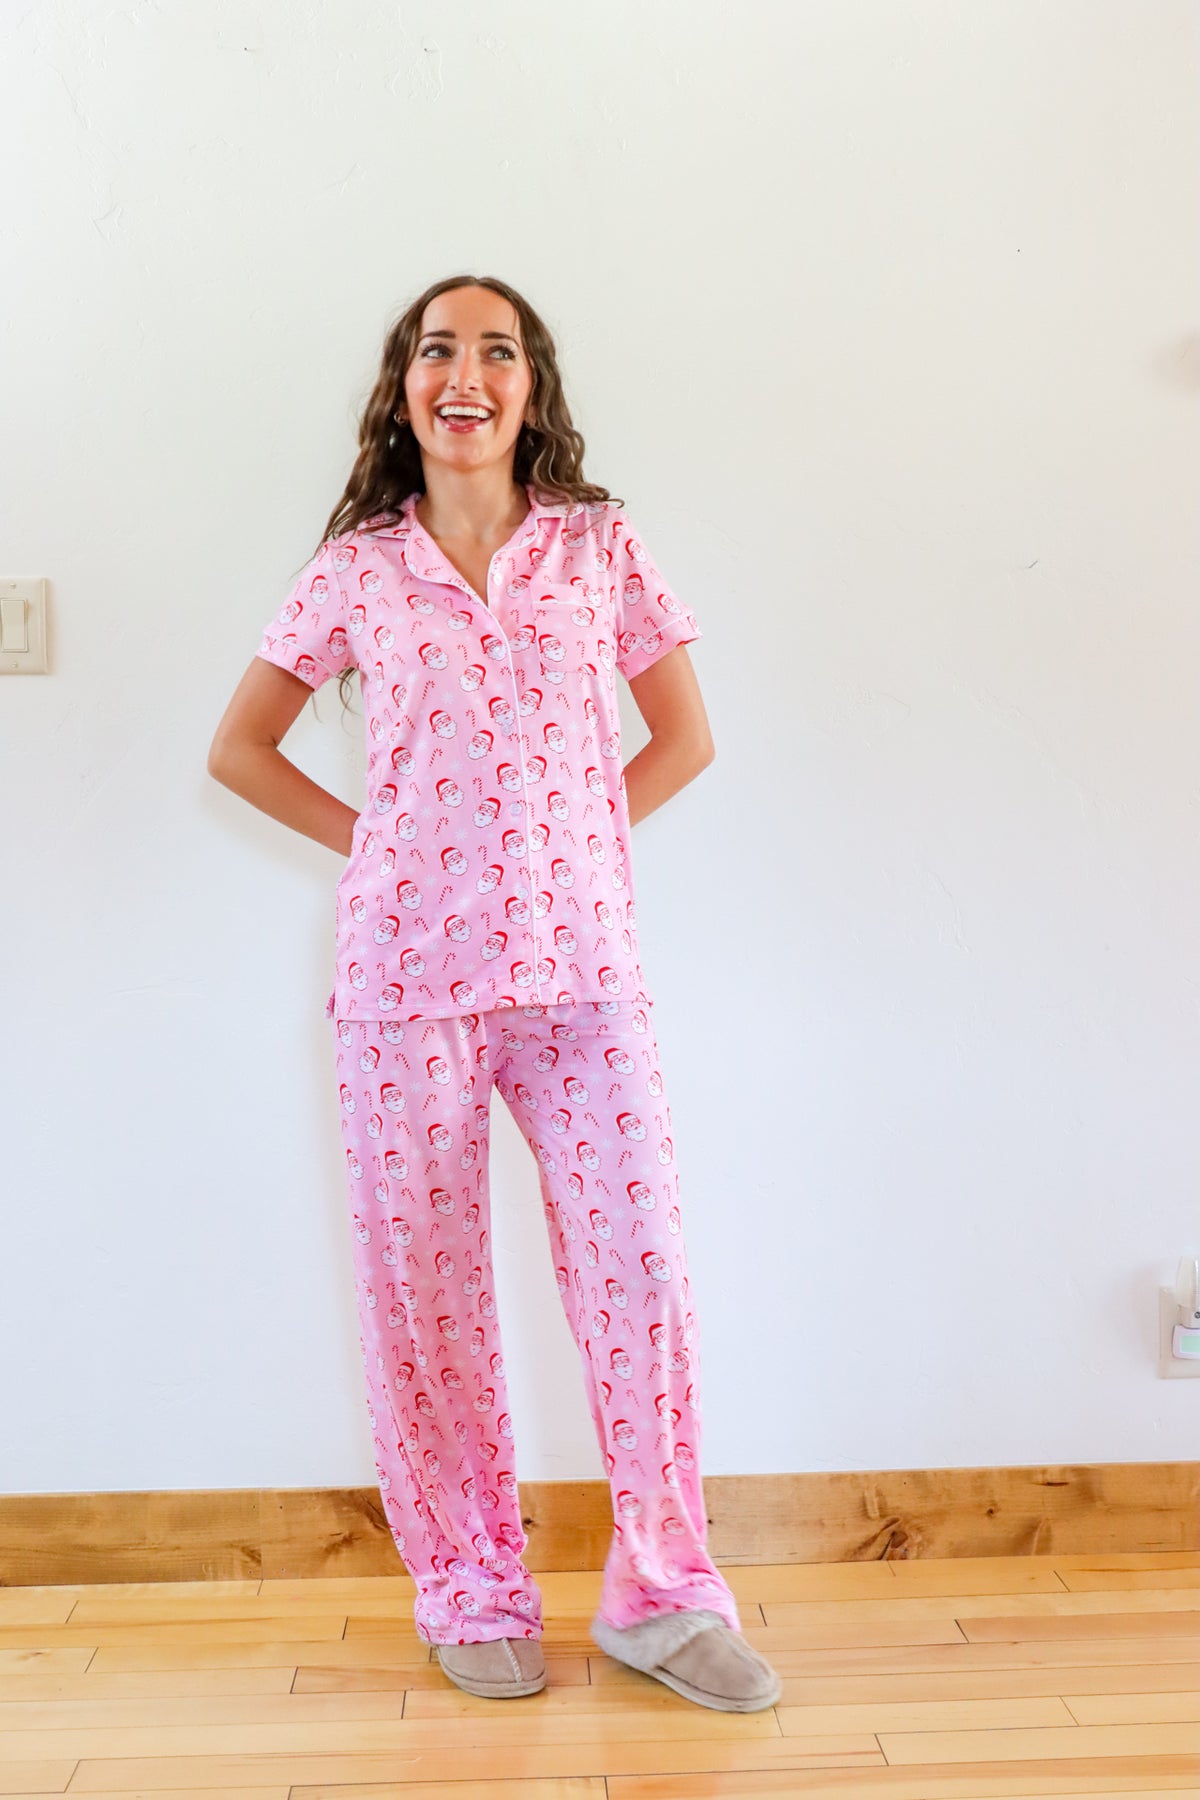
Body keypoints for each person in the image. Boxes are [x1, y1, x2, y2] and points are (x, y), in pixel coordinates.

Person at [207, 274, 781, 1713]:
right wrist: (383, 848)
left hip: (581, 974)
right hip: (404, 986)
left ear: (534, 387)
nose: (466, 372)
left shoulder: (599, 546)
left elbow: (685, 736)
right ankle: (469, 1583)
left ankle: (663, 1594)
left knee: (638, 1273)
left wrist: (571, 842)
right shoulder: (358, 569)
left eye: (497, 349)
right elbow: (242, 749)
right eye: (436, 350)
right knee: (429, 1295)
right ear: (404, 389)